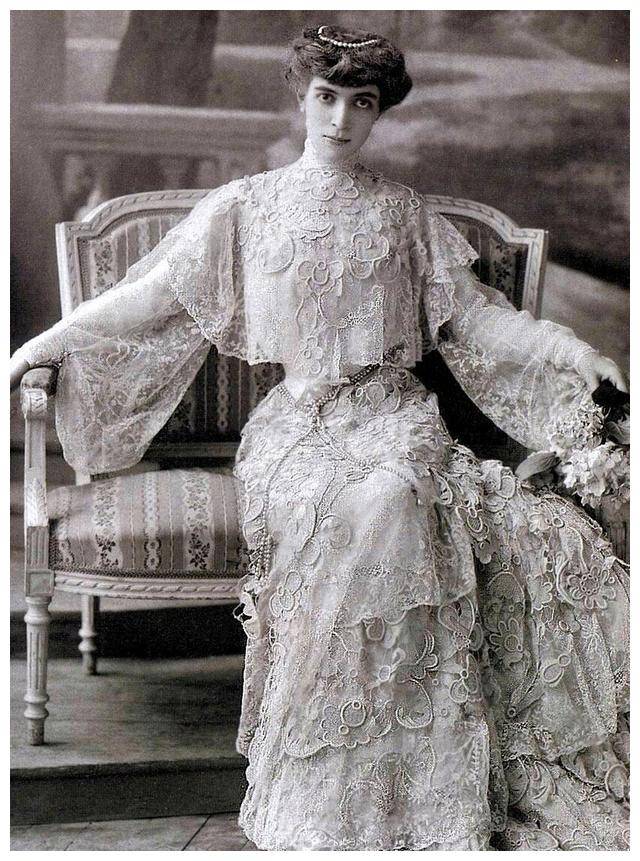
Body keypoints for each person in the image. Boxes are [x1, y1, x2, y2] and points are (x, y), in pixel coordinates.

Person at [10, 25, 629, 851]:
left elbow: (480, 320)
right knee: (376, 501)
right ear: (300, 99)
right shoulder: (246, 207)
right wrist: (46, 342)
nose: (340, 119)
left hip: (396, 417)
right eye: (325, 97)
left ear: (378, 113)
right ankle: (335, 788)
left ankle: (412, 789)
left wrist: (574, 352)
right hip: (298, 426)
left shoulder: (402, 214)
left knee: (401, 494)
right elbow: (150, 296)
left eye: (360, 103)